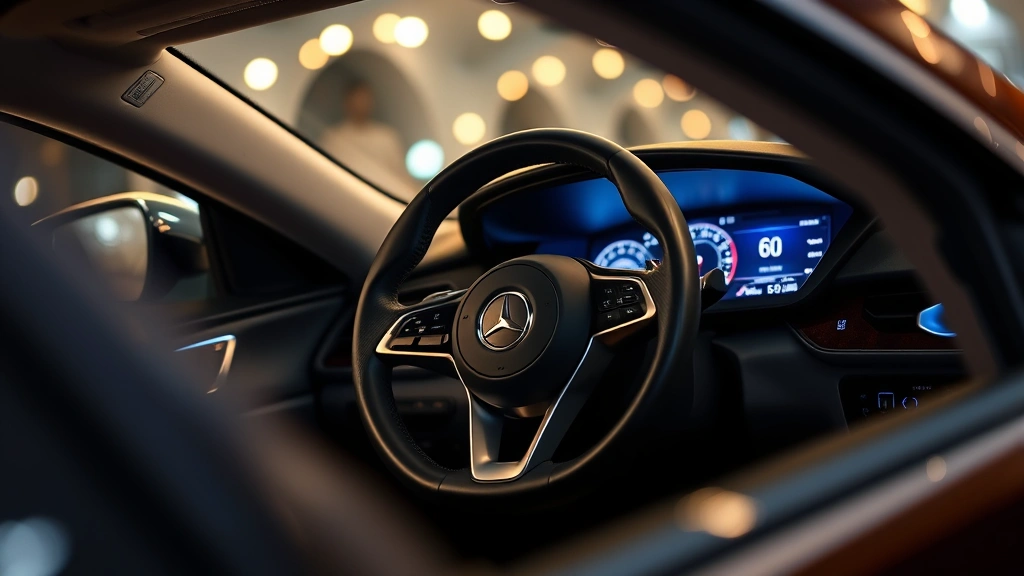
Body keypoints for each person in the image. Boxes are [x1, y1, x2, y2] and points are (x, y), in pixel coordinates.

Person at [320, 81, 417, 199]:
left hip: (383, 198)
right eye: (357, 99)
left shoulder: (387, 137)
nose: (361, 104)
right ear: (347, 102)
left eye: (365, 99)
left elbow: (401, 176)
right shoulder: (334, 138)